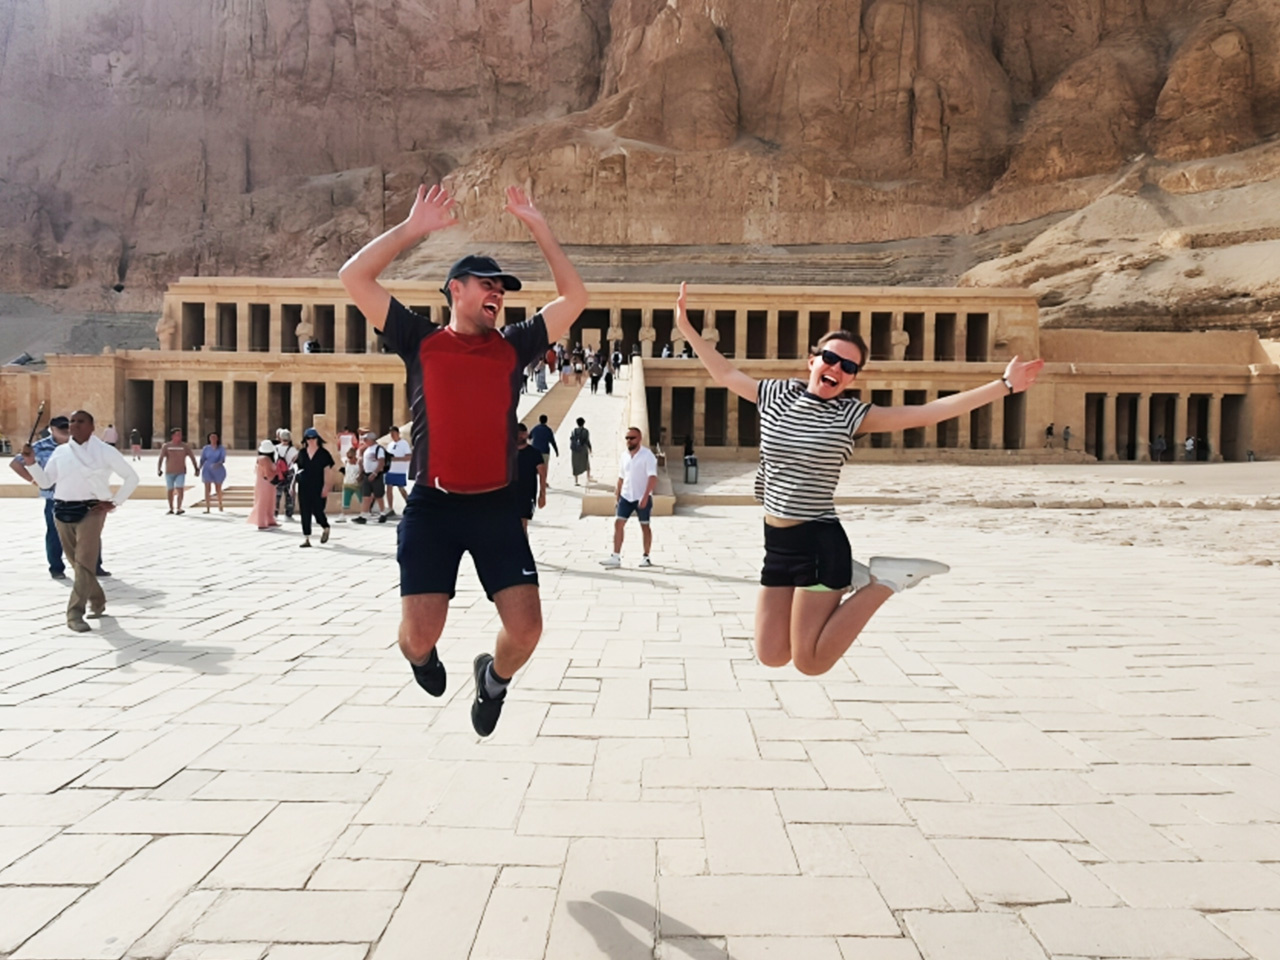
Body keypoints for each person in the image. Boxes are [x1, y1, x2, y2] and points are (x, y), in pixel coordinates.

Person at [674, 281, 1043, 676]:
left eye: (848, 367)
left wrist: (1004, 386)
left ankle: (886, 581)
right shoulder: (775, 395)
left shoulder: (851, 416)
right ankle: (856, 575)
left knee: (811, 661)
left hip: (818, 542)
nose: (837, 368)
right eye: (831, 358)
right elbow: (725, 373)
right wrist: (687, 330)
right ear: (812, 361)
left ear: (852, 378)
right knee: (772, 654)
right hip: (776, 543)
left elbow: (928, 412)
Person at [339, 181, 586, 737]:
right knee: (418, 636)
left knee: (526, 632)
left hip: (496, 507)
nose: (498, 293)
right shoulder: (420, 340)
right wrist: (412, 229)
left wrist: (540, 228)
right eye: (487, 283)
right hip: (434, 507)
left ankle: (493, 680)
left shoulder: (513, 345)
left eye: (502, 288)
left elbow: (574, 298)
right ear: (456, 288)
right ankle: (420, 657)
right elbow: (354, 276)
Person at [21, 410, 138, 631]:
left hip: (92, 510)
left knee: (84, 562)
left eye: (80, 421)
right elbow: (46, 482)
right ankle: (97, 598)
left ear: (92, 426)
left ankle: (75, 614)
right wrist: (31, 462)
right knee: (76, 563)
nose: (74, 425)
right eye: (72, 421)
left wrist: (115, 501)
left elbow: (132, 477)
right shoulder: (61, 452)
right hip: (62, 510)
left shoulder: (105, 451)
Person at [9, 415, 106, 580]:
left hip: (82, 496)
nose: (66, 431)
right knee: (55, 534)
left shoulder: (80, 444)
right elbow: (16, 463)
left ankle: (95, 566)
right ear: (51, 430)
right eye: (61, 428)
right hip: (54, 498)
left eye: (68, 427)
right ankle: (56, 568)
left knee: (90, 533)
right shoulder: (40, 447)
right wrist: (33, 479)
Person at [601, 425, 659, 568]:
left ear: (639, 439)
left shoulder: (648, 456)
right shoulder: (624, 456)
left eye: (632, 438)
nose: (629, 441)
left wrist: (646, 496)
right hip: (626, 496)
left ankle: (646, 557)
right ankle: (615, 557)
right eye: (627, 438)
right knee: (618, 523)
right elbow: (621, 477)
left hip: (642, 496)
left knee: (645, 525)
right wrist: (617, 494)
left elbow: (652, 477)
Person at [294, 428, 336, 547]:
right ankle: (306, 537)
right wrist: (293, 486)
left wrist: (327, 487)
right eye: (308, 438)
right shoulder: (302, 453)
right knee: (305, 511)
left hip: (318, 486)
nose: (311, 440)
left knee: (318, 510)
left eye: (313, 438)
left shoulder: (323, 454)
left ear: (318, 439)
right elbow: (297, 469)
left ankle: (325, 526)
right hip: (304, 486)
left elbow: (328, 471)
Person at [514, 423, 548, 534]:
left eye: (522, 433)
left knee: (522, 525)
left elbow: (542, 473)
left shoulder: (534, 453)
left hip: (526, 494)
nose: (520, 436)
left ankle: (522, 545)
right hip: (508, 494)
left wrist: (542, 495)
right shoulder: (507, 453)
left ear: (527, 434)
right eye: (517, 433)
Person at [157, 427, 199, 515]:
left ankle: (179, 508)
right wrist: (159, 469)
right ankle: (171, 508)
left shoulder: (184, 446)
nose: (179, 436)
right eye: (177, 435)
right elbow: (161, 458)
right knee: (170, 490)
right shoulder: (167, 446)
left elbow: (192, 457)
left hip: (180, 472)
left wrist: (196, 468)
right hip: (169, 472)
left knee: (180, 489)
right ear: (173, 436)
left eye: (180, 435)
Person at [354, 431, 389, 523]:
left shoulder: (378, 449)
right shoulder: (367, 450)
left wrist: (375, 473)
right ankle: (364, 515)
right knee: (366, 496)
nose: (364, 441)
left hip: (376, 475)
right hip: (367, 474)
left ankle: (382, 513)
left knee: (378, 495)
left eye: (366, 439)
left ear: (371, 440)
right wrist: (361, 474)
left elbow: (381, 462)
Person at [249, 440, 280, 530]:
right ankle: (262, 522)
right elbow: (268, 473)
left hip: (263, 483)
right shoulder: (265, 459)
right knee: (264, 502)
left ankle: (268, 520)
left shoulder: (261, 459)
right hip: (267, 483)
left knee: (267, 502)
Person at [198, 431, 228, 513]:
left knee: (218, 488)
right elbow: (202, 459)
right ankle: (207, 508)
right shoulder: (206, 448)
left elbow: (222, 459)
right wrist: (199, 468)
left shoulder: (221, 448)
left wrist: (217, 464)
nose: (213, 439)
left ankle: (220, 504)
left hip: (218, 469)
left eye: (214, 437)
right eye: (211, 437)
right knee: (207, 488)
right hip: (207, 469)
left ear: (217, 439)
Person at [385, 426, 412, 512]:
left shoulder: (404, 444)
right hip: (390, 470)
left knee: (401, 488)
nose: (392, 435)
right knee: (389, 488)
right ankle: (390, 508)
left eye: (394, 433)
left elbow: (408, 457)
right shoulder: (390, 445)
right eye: (391, 434)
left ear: (398, 433)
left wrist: (396, 459)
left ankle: (410, 505)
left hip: (400, 470)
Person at [274, 430, 299, 519]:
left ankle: (275, 511)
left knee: (277, 493)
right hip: (289, 472)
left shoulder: (275, 448)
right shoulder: (293, 450)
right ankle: (289, 511)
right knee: (289, 492)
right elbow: (295, 460)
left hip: (278, 473)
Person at [336, 446, 361, 522]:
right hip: (347, 484)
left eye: (351, 457)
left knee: (362, 499)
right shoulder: (346, 461)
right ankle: (343, 515)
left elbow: (361, 471)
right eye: (348, 457)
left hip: (357, 484)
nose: (350, 459)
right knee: (345, 501)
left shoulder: (359, 463)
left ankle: (364, 513)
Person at [569, 416, 593, 485]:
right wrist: (590, 448)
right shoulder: (585, 431)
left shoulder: (574, 431)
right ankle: (588, 477)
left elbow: (571, 439)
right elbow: (587, 441)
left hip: (575, 450)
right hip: (583, 449)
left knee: (575, 464)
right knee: (586, 463)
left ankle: (576, 481)